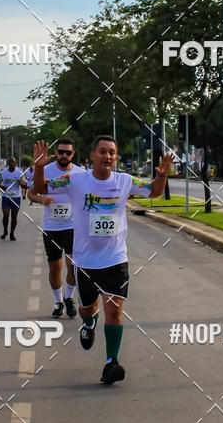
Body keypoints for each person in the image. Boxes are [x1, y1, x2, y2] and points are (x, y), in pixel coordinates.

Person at [33, 136, 173, 384]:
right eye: (103, 151)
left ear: (116, 158)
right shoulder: (75, 180)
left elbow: (154, 191)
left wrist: (161, 175)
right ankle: (89, 323)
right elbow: (42, 188)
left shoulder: (124, 180)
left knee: (114, 308)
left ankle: (112, 362)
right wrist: (38, 167)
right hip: (85, 261)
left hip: (115, 259)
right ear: (92, 156)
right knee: (87, 309)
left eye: (112, 152)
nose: (108, 156)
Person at [28, 138, 84, 319]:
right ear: (56, 153)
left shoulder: (80, 174)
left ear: (73, 154)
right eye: (61, 152)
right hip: (51, 227)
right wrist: (41, 199)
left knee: (73, 264)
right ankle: (58, 301)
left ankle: (69, 297)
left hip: (73, 227)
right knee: (54, 267)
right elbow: (31, 193)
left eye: (68, 152)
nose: (64, 155)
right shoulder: (45, 170)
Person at [0, 157, 26, 240]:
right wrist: (2, 186)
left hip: (16, 197)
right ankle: (5, 230)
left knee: (14, 217)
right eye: (9, 162)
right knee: (6, 215)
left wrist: (20, 183)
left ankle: (12, 233)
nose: (11, 164)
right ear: (7, 164)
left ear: (15, 163)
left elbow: (25, 185)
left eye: (12, 162)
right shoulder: (3, 173)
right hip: (6, 197)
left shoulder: (19, 173)